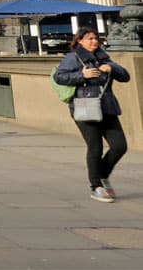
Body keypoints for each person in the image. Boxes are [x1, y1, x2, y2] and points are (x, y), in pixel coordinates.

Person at [53, 28, 131, 203]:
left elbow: (126, 76)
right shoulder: (73, 58)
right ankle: (96, 186)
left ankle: (102, 173)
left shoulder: (104, 57)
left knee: (120, 146)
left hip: (107, 107)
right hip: (84, 107)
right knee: (95, 147)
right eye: (90, 39)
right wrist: (82, 75)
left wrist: (112, 68)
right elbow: (59, 77)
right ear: (79, 41)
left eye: (96, 39)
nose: (94, 42)